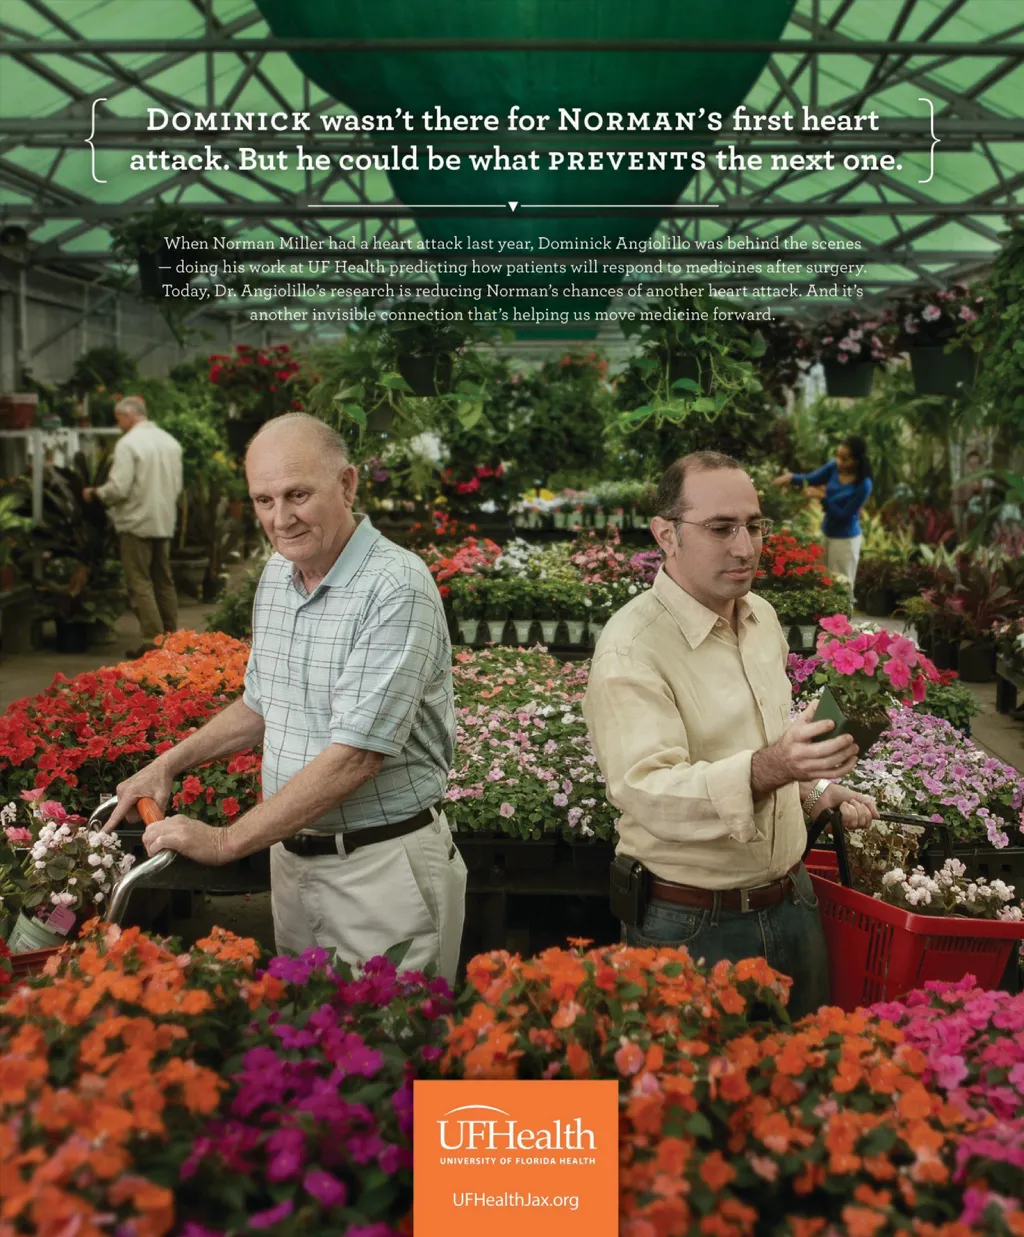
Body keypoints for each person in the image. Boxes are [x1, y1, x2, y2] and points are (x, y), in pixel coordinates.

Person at [104, 413, 467, 984]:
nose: (280, 518)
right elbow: (261, 703)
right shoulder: (279, 575)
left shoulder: (396, 586)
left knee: (393, 1035)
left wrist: (224, 841)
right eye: (263, 500)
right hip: (292, 861)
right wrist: (168, 764)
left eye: (298, 495)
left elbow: (357, 757)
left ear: (347, 484)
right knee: (305, 1029)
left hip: (379, 869)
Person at [583, 451, 878, 1019]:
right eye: (721, 528)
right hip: (690, 925)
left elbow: (759, 743)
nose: (745, 547)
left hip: (793, 901)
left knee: (808, 1067)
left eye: (754, 525)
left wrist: (813, 788)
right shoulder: (633, 648)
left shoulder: (760, 617)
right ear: (666, 535)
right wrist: (777, 766)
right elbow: (649, 790)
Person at [83, 395, 183, 657]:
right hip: (163, 520)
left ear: (129, 416)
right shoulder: (169, 442)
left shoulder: (128, 444)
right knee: (163, 580)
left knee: (139, 582)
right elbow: (177, 486)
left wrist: (96, 493)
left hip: (135, 522)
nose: (118, 425)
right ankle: (173, 640)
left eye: (119, 419)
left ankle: (153, 642)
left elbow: (118, 488)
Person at [773, 436, 873, 589]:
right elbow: (811, 479)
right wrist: (790, 477)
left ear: (857, 460)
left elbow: (843, 515)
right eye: (838, 456)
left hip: (845, 540)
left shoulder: (863, 485)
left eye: (844, 459)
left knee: (842, 584)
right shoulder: (834, 467)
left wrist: (822, 497)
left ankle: (846, 607)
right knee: (823, 580)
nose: (839, 461)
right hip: (827, 533)